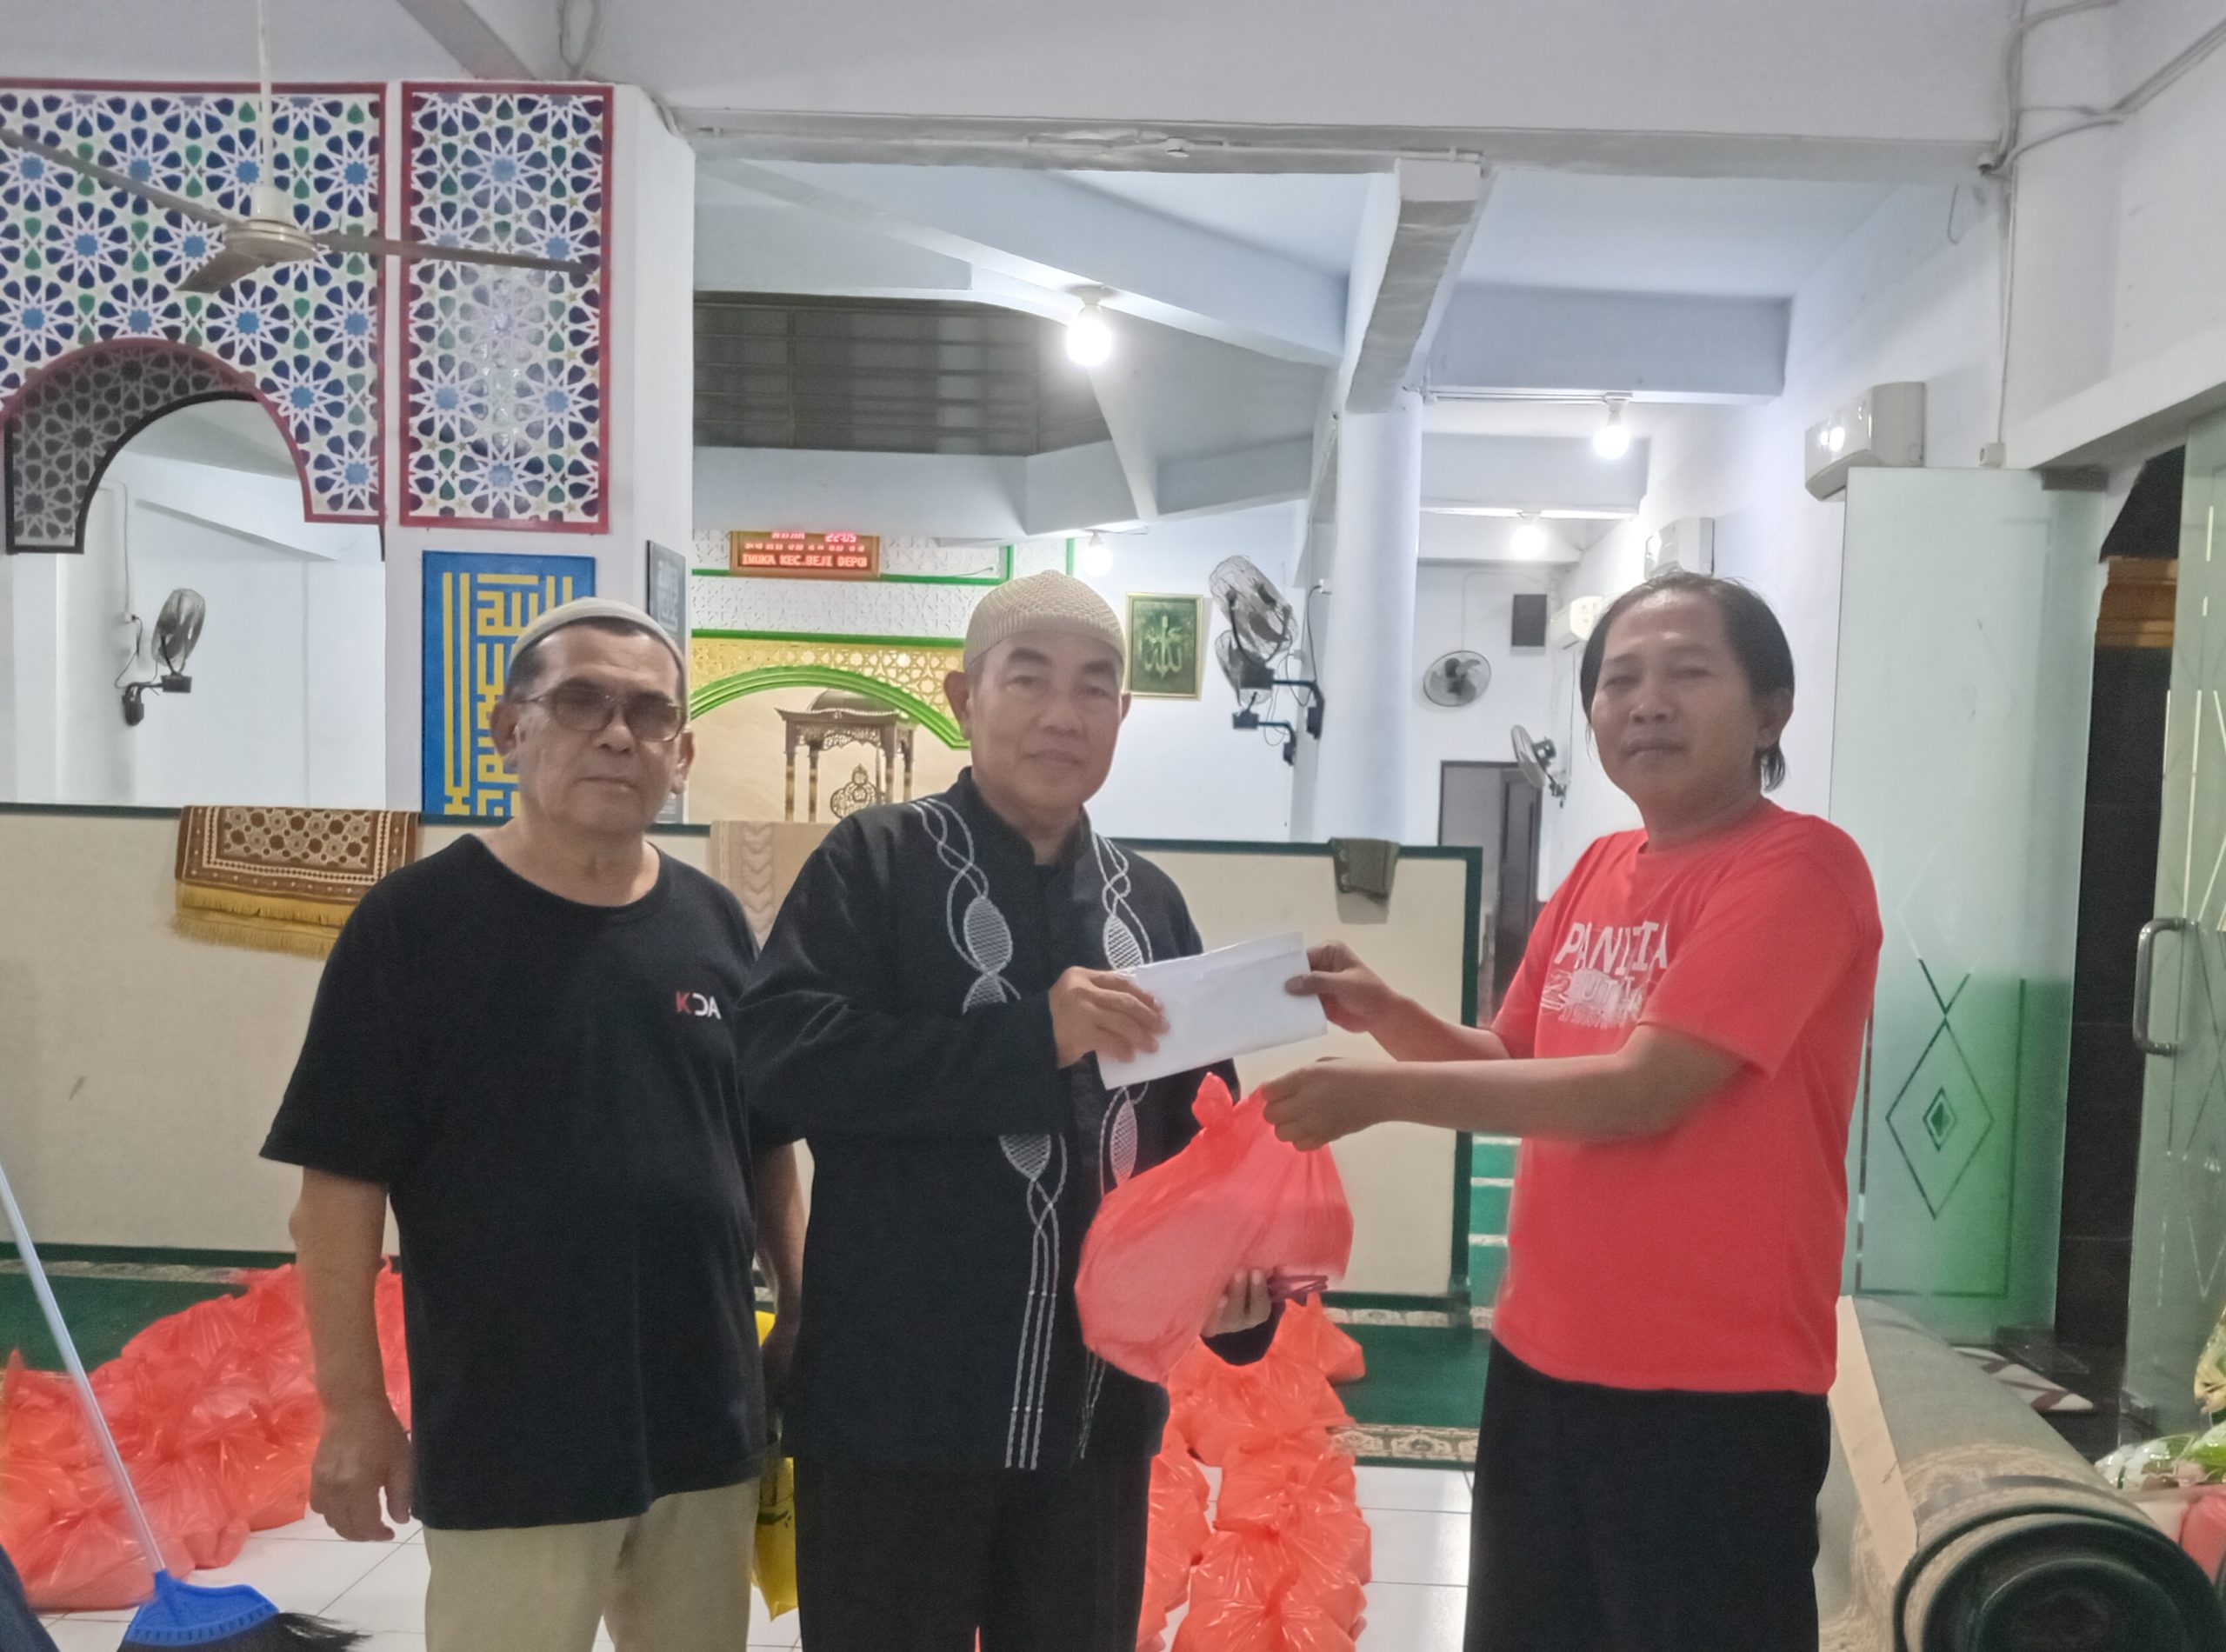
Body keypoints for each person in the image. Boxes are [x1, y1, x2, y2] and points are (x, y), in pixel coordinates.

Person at [1266, 570, 1882, 1652]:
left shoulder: (1799, 870)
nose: (1647, 704)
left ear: (1770, 709)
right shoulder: (1597, 866)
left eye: (1688, 673)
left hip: (1711, 1389)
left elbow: (1640, 1089)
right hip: (1541, 1361)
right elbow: (1513, 1061)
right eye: (1618, 680)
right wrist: (1387, 1014)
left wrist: (1378, 1095)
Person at [736, 571, 1277, 1652]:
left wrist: (1241, 1280)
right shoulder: (873, 864)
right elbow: (778, 1066)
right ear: (962, 696)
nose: (1063, 713)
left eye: (1094, 686)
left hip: (1093, 1421)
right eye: (1028, 679)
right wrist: (1031, 1040)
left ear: (1123, 713)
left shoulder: (1147, 904)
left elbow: (1200, 1136)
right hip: (893, 1415)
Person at [263, 598, 803, 1652]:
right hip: (512, 1435)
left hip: (702, 1422)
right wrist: (355, 1411)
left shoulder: (712, 923)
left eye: (650, 713)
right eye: (582, 701)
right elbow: (334, 1200)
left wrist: (800, 1303)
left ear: (682, 754)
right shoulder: (414, 928)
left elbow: (765, 1141)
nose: (619, 734)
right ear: (510, 729)